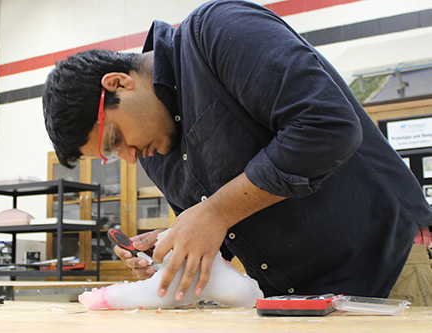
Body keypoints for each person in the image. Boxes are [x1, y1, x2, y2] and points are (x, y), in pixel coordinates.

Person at [42, 0, 432, 305]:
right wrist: (178, 248)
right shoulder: (154, 151)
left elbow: (327, 126)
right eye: (111, 156)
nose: (127, 157)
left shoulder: (217, 32)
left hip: (393, 268)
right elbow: (227, 235)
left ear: (119, 84)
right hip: (303, 303)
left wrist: (215, 211)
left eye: (114, 140)